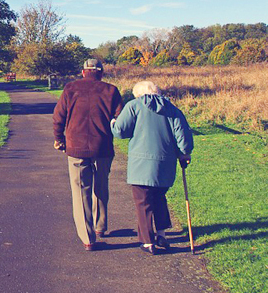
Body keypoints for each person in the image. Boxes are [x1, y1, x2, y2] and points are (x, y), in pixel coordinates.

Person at [111, 80, 193, 255]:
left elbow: (120, 131)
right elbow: (183, 136)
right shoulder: (172, 109)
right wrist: (184, 154)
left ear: (138, 94)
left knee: (143, 202)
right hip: (165, 164)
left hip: (141, 165)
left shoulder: (134, 106)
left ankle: (148, 241)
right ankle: (162, 234)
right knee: (159, 197)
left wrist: (112, 123)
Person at [52, 59, 123, 251]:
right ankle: (100, 227)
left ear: (83, 72)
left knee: (80, 191)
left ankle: (88, 238)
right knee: (101, 187)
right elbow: (120, 118)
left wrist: (59, 139)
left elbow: (58, 116)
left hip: (76, 148)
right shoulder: (111, 90)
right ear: (101, 73)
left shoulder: (70, 88)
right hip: (103, 148)